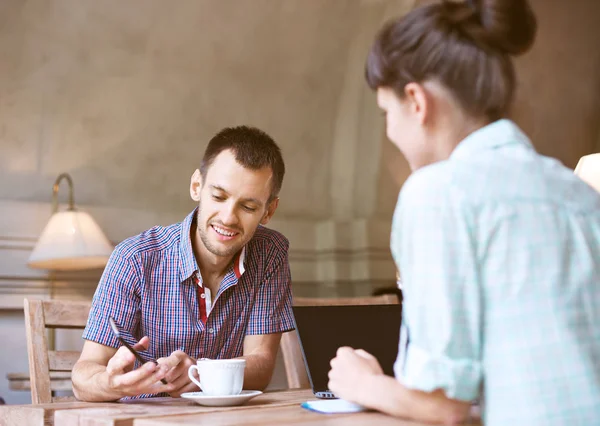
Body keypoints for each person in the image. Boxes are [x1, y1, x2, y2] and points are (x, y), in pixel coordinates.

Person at [327, 1, 600, 425]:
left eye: (386, 112)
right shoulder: (579, 194)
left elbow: (442, 406)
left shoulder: (437, 192)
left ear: (417, 102)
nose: (389, 130)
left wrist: (361, 382)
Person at [72, 126, 294, 402]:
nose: (228, 218)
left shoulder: (270, 253)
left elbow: (261, 365)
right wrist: (112, 383)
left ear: (268, 211)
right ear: (196, 186)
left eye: (248, 207)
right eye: (219, 196)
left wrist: (202, 372)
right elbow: (83, 376)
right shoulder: (134, 258)